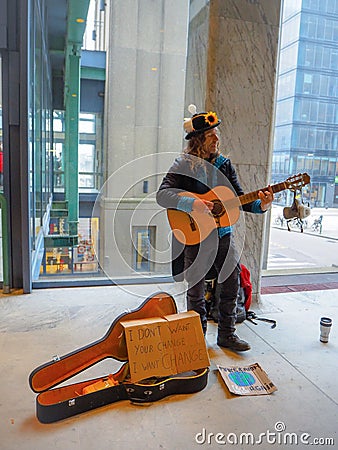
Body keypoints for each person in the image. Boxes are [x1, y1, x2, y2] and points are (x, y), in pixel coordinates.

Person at [156, 106, 274, 351]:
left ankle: (227, 335)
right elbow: (162, 195)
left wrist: (261, 203)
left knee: (231, 284)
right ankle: (196, 337)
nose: (217, 139)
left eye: (217, 134)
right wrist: (193, 203)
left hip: (222, 234)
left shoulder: (224, 165)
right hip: (194, 235)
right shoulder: (182, 165)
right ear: (198, 140)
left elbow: (240, 200)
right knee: (195, 289)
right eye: (211, 136)